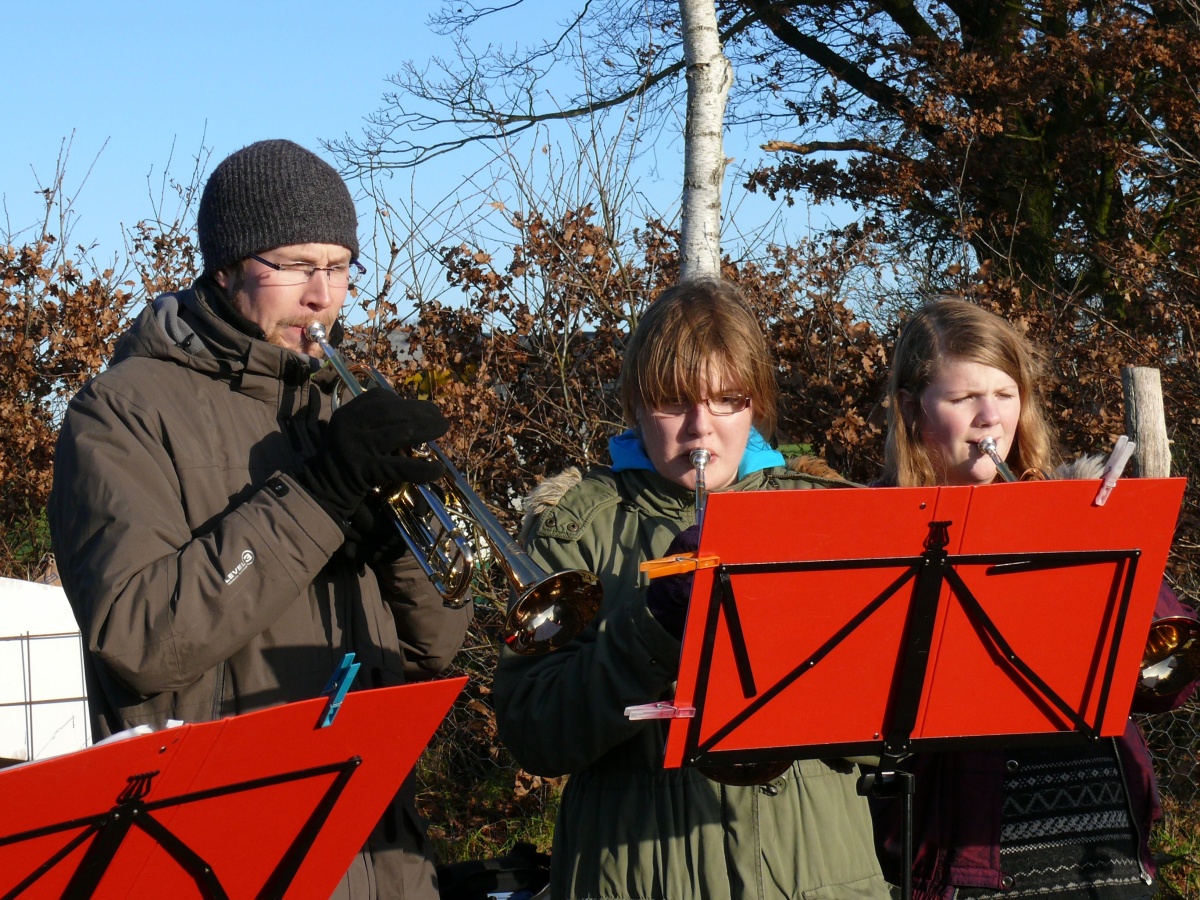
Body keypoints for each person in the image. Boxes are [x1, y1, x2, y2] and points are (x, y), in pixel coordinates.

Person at [48, 139, 472, 899]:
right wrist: (318, 497)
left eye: (340, 267)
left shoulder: (333, 408)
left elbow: (435, 651)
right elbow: (139, 640)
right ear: (225, 266)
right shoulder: (121, 411)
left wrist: (398, 550)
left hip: (384, 858)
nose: (323, 297)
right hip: (225, 859)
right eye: (295, 265)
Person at [494, 279, 891, 900]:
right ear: (635, 403)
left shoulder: (825, 512)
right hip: (635, 874)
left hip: (813, 870)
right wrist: (652, 627)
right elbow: (535, 732)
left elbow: (900, 732)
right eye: (674, 403)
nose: (700, 430)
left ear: (755, 403)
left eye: (728, 400)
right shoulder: (576, 526)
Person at [871, 296, 1198, 899]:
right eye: (964, 398)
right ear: (915, 412)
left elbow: (1165, 682)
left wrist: (1111, 544)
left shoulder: (1071, 504)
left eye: (1006, 394)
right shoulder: (876, 531)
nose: (990, 418)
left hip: (1103, 840)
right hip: (970, 852)